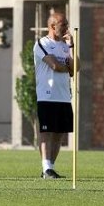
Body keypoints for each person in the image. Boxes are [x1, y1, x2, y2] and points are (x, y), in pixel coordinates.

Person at [33, 12, 79, 179]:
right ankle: (45, 167)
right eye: (63, 25)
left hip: (64, 96)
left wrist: (72, 48)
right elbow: (54, 65)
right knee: (46, 132)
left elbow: (76, 68)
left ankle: (50, 168)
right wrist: (68, 67)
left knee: (59, 133)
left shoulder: (66, 46)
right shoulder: (41, 43)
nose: (66, 27)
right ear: (52, 26)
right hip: (47, 95)